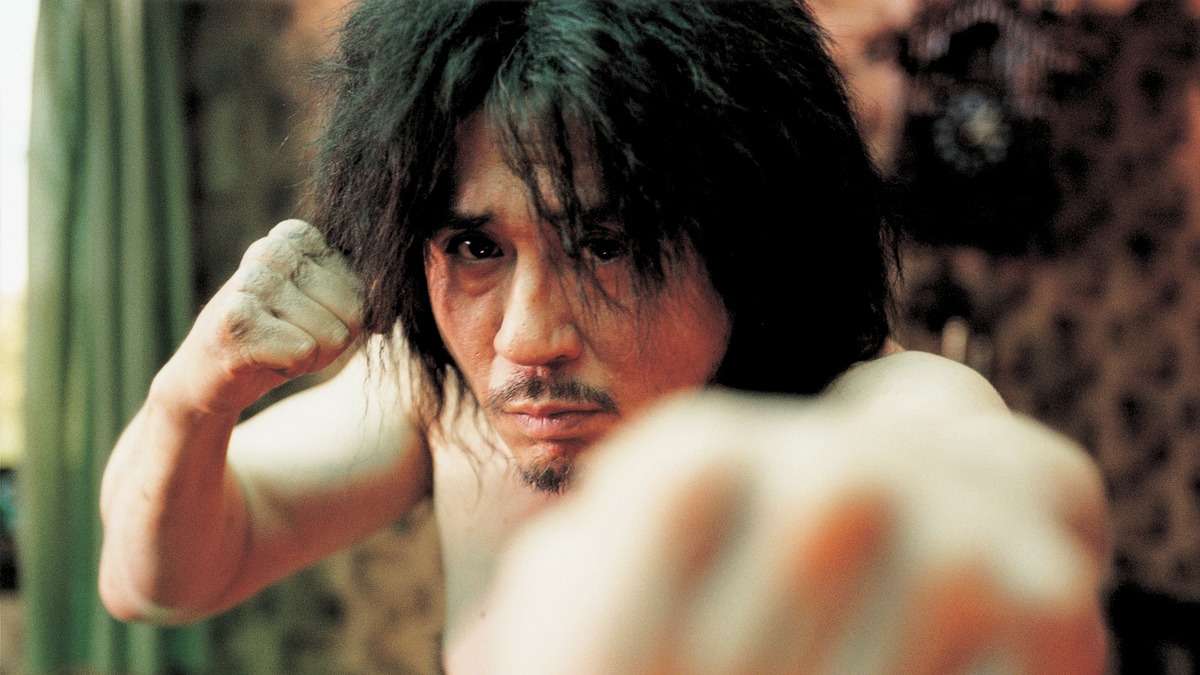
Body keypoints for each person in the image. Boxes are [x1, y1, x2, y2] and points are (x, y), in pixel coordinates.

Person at [99, 1, 1109, 672]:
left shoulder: (871, 407)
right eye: (476, 247)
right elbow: (159, 579)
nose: (527, 338)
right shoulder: (441, 404)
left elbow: (1001, 492)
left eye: (608, 244)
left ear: (746, 239)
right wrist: (195, 394)